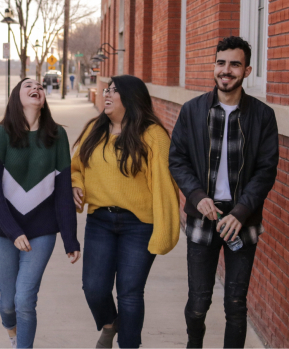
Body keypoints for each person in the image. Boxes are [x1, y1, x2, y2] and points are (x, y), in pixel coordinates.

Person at [168, 36, 278, 348]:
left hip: (242, 220)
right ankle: (194, 344)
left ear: (247, 70)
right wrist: (196, 195)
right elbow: (177, 160)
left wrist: (241, 212)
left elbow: (266, 170)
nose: (226, 70)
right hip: (203, 218)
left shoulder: (262, 116)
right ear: (214, 65)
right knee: (198, 303)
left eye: (234, 64)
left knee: (235, 304)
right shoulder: (192, 111)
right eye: (221, 63)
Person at [71, 75, 180, 348]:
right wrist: (76, 185)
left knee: (130, 294)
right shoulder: (94, 129)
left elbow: (166, 186)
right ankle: (110, 325)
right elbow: (76, 168)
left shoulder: (153, 135)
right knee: (94, 288)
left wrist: (165, 232)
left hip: (139, 225)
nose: (106, 94)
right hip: (100, 221)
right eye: (106, 89)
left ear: (131, 98)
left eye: (114, 91)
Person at [0, 78, 81, 349]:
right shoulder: (0, 134)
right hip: (5, 231)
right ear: (17, 96)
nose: (35, 88)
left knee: (25, 300)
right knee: (7, 304)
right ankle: (14, 336)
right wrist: (14, 232)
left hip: (42, 231)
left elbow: (64, 192)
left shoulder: (57, 136)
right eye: (28, 85)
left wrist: (70, 239)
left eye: (39, 86)